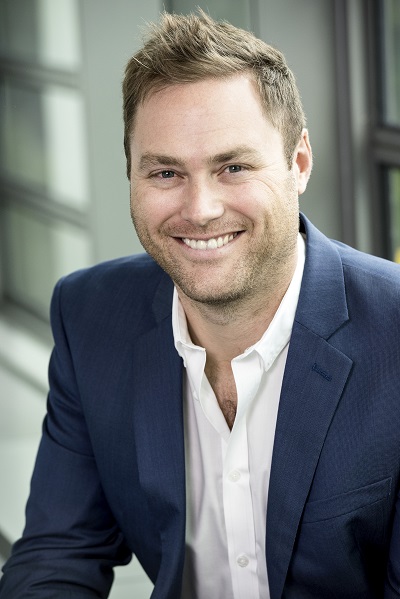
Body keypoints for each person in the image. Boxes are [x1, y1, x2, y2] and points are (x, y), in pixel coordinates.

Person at [1, 9, 400, 599]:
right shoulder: (89, 316)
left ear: (299, 162)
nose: (201, 208)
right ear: (131, 175)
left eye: (233, 166)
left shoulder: (394, 332)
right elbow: (58, 555)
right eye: (165, 172)